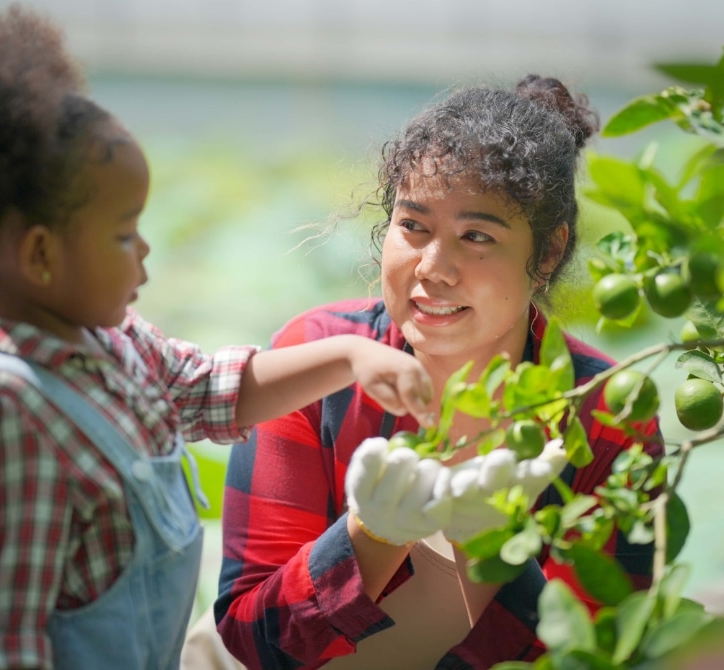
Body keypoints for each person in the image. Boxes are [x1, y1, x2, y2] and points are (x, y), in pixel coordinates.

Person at [0, 7, 437, 670]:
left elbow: (221, 392)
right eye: (124, 233)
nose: (146, 250)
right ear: (41, 255)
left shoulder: (114, 345)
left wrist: (355, 355)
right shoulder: (6, 409)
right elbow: (1, 642)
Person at [201, 74, 664, 670]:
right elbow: (253, 637)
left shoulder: (607, 413)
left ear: (547, 251)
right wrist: (373, 535)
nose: (433, 269)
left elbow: (595, 653)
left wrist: (484, 560)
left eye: (476, 236)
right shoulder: (317, 361)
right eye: (414, 226)